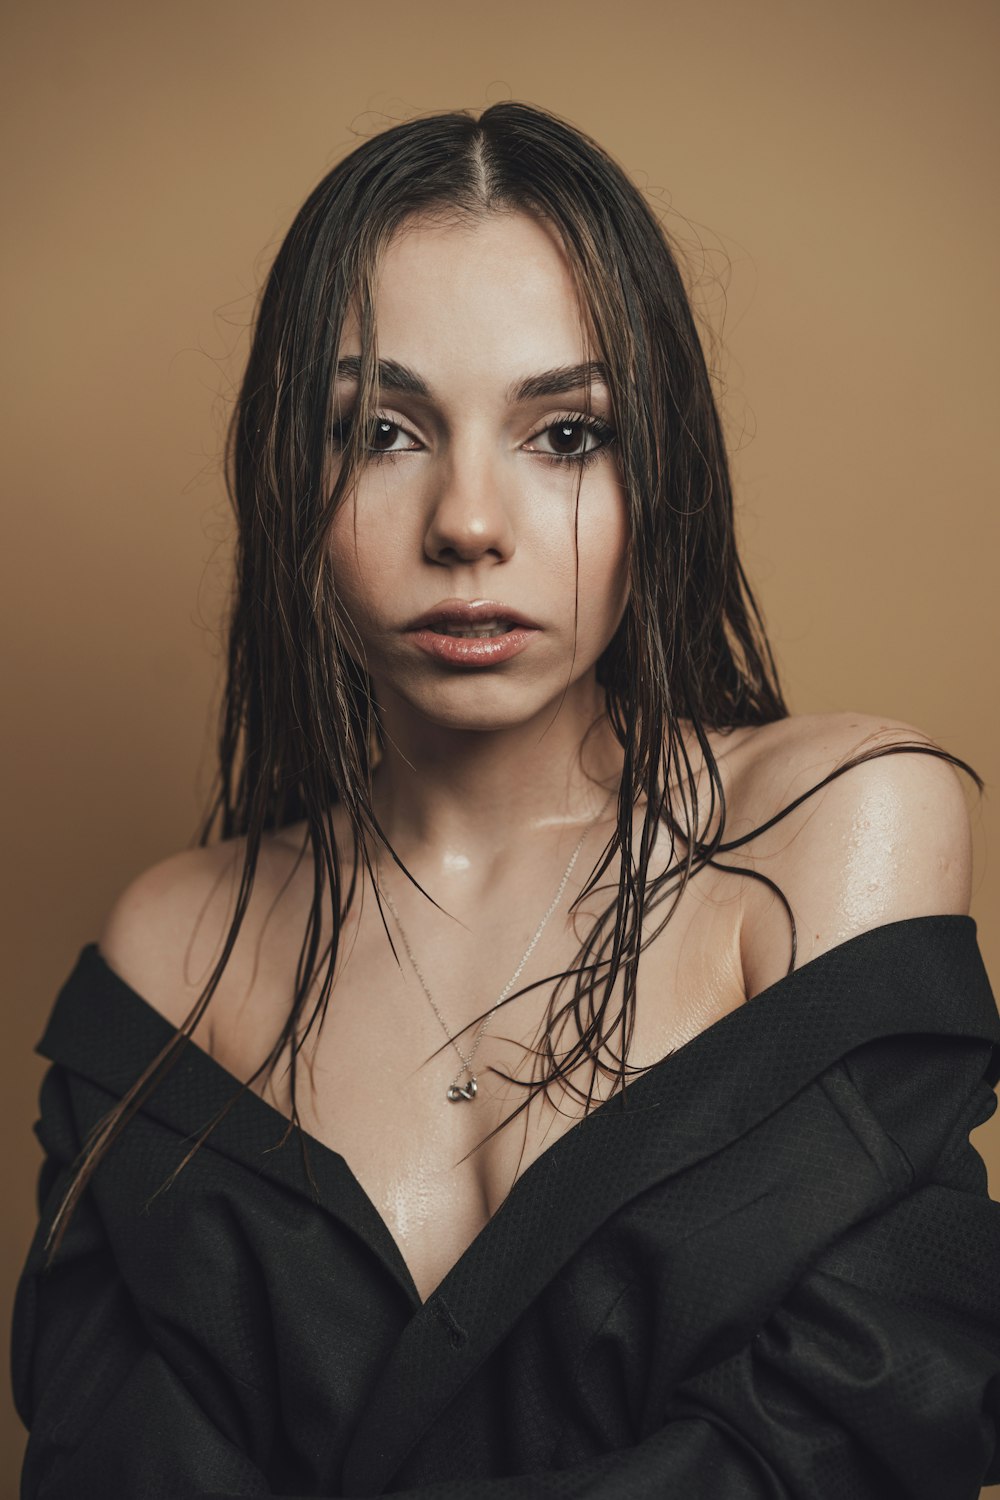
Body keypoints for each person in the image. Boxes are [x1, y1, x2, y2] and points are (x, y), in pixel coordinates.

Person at [12, 102, 1000, 1499]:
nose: (469, 522)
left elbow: (861, 1427)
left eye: (566, 433)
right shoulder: (174, 955)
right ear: (288, 469)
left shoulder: (837, 828)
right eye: (384, 429)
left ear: (663, 464)